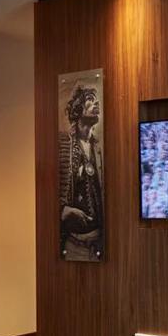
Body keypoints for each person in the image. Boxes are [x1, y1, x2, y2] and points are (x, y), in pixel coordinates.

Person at [59, 85, 103, 260]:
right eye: (90, 100)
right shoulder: (63, 144)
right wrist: (63, 210)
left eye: (97, 100)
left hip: (99, 244)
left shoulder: (98, 148)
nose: (96, 103)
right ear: (78, 109)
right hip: (74, 244)